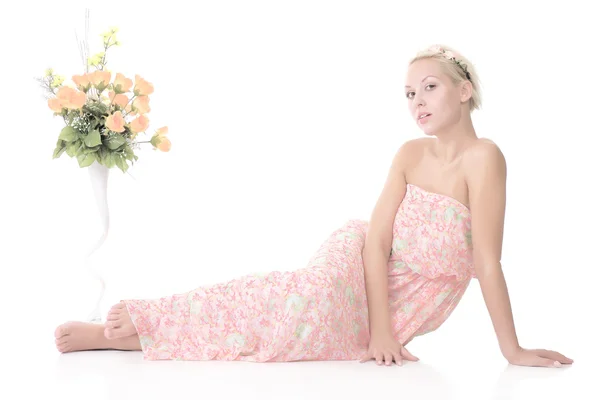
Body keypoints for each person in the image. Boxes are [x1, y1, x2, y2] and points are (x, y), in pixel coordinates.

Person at [54, 44, 573, 368]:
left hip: (407, 298)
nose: (417, 100)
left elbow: (486, 262)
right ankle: (133, 330)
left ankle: (141, 333)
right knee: (298, 298)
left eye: (430, 87)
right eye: (409, 92)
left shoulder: (485, 159)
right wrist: (383, 332)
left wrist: (513, 350)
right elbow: (376, 240)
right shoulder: (409, 154)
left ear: (464, 91)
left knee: (293, 332)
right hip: (360, 260)